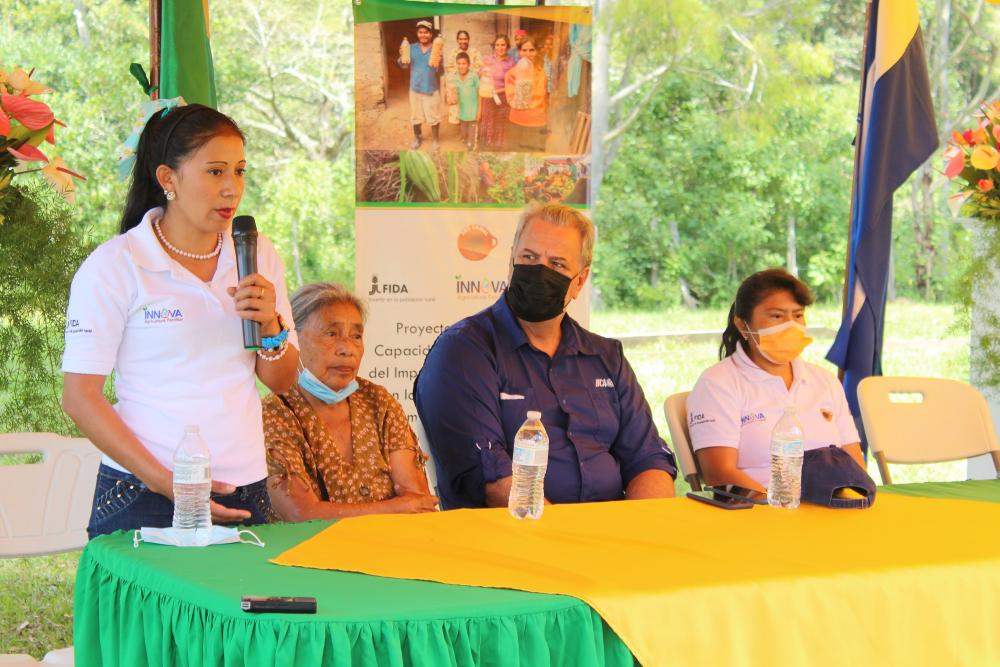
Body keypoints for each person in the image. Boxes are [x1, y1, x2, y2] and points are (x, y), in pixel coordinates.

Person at [62, 102, 299, 538]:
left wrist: (271, 328)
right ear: (168, 179)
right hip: (144, 491)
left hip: (245, 488)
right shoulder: (116, 265)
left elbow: (282, 380)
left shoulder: (256, 253)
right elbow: (80, 398)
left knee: (242, 608)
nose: (232, 189)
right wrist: (163, 481)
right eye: (215, 172)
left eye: (240, 171)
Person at [415, 203, 677, 509]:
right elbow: (492, 479)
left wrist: (639, 531)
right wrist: (565, 543)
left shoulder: (606, 357)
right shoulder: (463, 352)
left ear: (579, 281)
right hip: (515, 540)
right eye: (529, 257)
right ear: (512, 260)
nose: (540, 272)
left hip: (611, 539)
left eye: (557, 264)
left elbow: (648, 459)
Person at [263, 283, 437, 519]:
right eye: (331, 334)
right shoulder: (275, 412)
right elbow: (300, 513)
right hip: (308, 552)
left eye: (356, 336)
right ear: (293, 338)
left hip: (391, 548)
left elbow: (418, 501)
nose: (347, 349)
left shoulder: (378, 401)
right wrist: (393, 507)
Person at [687, 269, 865, 496]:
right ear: (742, 325)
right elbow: (719, 472)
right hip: (759, 513)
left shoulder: (824, 381)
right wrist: (780, 507)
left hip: (830, 507)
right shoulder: (718, 383)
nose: (791, 325)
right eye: (777, 316)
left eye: (798, 315)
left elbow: (854, 464)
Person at [397, 20, 444, 151]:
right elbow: (404, 65)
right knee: (416, 116)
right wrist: (402, 57)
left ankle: (435, 140)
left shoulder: (437, 49)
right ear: (417, 33)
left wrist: (439, 63)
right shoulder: (411, 48)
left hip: (431, 88)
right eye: (420, 32)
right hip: (415, 88)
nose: (423, 35)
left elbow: (441, 73)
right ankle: (417, 138)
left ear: (431, 34)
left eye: (426, 32)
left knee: (434, 117)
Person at [505, 37, 549, 151]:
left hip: (537, 124)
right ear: (519, 52)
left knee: (536, 160)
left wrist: (524, 99)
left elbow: (541, 97)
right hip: (517, 123)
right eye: (524, 50)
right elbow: (511, 99)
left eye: (531, 50)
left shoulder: (541, 74)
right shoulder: (511, 73)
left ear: (537, 52)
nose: (527, 53)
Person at [478, 34, 515, 150]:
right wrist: (481, 73)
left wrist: (499, 91)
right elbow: (479, 76)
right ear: (494, 46)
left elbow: (513, 84)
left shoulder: (511, 63)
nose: (500, 47)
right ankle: (487, 147)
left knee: (500, 125)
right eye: (497, 45)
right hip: (487, 97)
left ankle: (498, 149)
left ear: (507, 47)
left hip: (502, 99)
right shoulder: (487, 60)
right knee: (488, 122)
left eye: (503, 45)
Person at [449, 53, 480, 151]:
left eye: (464, 63)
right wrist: (451, 99)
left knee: (471, 136)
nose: (461, 66)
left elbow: (479, 94)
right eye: (459, 63)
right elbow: (452, 95)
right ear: (456, 64)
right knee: (464, 132)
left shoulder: (473, 76)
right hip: (462, 112)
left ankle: (471, 145)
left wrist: (479, 110)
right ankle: (466, 140)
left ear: (469, 64)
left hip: (473, 112)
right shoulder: (454, 77)